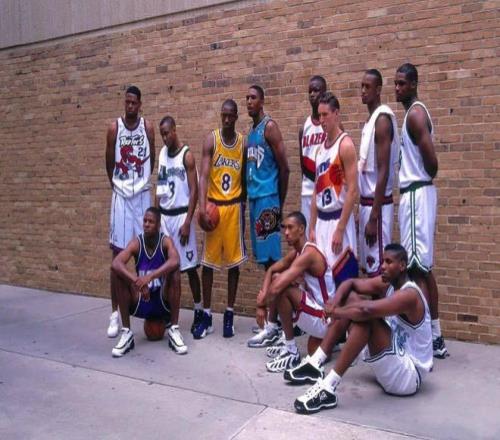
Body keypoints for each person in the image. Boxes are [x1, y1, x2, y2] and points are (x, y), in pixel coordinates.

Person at [290, 244, 433, 414]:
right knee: (351, 298)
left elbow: (366, 310)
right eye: (383, 261)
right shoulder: (387, 283)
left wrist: (335, 312)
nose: (383, 266)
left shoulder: (410, 295)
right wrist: (335, 301)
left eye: (389, 262)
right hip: (395, 360)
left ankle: (328, 387)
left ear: (402, 266)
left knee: (366, 318)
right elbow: (350, 283)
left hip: (409, 377)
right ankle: (316, 362)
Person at [395, 63, 448, 358]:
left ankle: (429, 338)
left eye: (402, 83)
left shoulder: (416, 114)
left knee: (417, 268)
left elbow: (433, 165)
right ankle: (434, 336)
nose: (397, 88)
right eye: (396, 83)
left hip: (417, 193)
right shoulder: (410, 114)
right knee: (421, 268)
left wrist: (418, 182)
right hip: (414, 194)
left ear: (414, 84)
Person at [255, 212, 335, 373]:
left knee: (282, 289)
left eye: (290, 228)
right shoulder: (297, 252)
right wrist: (264, 295)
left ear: (301, 229)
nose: (286, 232)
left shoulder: (309, 254)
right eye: (284, 228)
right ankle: (274, 329)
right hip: (317, 310)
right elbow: (271, 270)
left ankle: (291, 351)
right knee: (278, 279)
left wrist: (261, 305)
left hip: (327, 317)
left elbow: (276, 288)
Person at [105, 86, 155, 338]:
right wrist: (120, 185)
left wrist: (139, 182)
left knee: (146, 252)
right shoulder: (115, 128)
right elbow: (109, 164)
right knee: (118, 255)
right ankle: (115, 313)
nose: (130, 106)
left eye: (134, 102)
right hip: (122, 198)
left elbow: (151, 161)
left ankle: (149, 307)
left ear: (140, 104)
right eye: (127, 102)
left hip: (142, 195)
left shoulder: (148, 128)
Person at [195, 99, 247, 339]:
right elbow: (203, 176)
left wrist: (243, 204)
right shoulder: (211, 140)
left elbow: (244, 179)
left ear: (236, 117)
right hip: (214, 207)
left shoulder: (243, 143)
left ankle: (229, 315)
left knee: (234, 264)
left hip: (234, 208)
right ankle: (206, 316)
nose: (226, 119)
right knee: (208, 264)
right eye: (223, 115)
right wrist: (202, 207)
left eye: (230, 115)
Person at [246, 85, 290, 348]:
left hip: (268, 199)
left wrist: (278, 204)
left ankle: (274, 325)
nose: (249, 101)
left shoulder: (269, 127)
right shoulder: (251, 132)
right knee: (266, 264)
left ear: (262, 101)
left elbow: (285, 168)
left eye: (253, 98)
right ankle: (276, 320)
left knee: (274, 263)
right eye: (247, 98)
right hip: (255, 200)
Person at [110, 207, 186, 357]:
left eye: (150, 222)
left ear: (158, 225)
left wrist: (149, 277)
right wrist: (137, 282)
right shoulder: (136, 243)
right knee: (117, 274)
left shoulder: (165, 241)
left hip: (162, 301)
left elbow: (175, 260)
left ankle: (174, 329)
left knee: (175, 272)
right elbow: (116, 263)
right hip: (142, 300)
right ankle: (126, 333)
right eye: (145, 221)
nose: (146, 224)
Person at [156, 116, 202, 335]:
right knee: (167, 269)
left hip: (182, 217)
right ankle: (167, 310)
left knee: (190, 268)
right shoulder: (162, 154)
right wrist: (156, 216)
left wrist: (188, 222)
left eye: (167, 133)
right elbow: (160, 187)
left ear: (175, 130)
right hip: (165, 217)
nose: (165, 138)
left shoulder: (187, 155)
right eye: (162, 134)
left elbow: (195, 191)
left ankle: (199, 310)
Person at [310, 92, 358, 287]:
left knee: (343, 279)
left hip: (339, 219)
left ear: (336, 113)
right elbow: (316, 190)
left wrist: (340, 229)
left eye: (325, 115)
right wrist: (312, 227)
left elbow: (353, 191)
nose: (322, 120)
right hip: (321, 221)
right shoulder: (319, 149)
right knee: (323, 280)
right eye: (319, 115)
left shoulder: (345, 145)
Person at [358, 69, 399, 277]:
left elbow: (384, 169)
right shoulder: (370, 120)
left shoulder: (382, 120)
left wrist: (374, 217)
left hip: (378, 206)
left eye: (368, 87)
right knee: (368, 268)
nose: (363, 91)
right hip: (366, 204)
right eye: (362, 86)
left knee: (380, 271)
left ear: (379, 89)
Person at [299, 76, 327, 238]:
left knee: (324, 238)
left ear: (324, 92)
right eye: (310, 91)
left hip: (326, 191)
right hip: (308, 192)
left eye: (316, 90)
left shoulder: (331, 126)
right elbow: (302, 164)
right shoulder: (305, 127)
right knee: (310, 239)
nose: (312, 94)